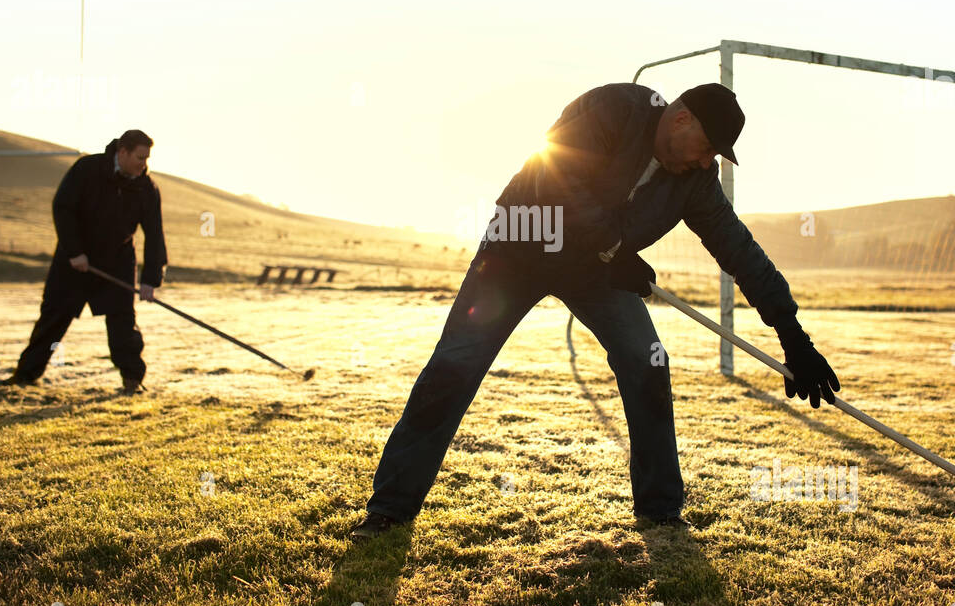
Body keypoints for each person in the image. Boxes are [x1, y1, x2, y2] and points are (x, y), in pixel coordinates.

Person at [350, 83, 839, 540]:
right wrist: (612, 244)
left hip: (597, 270)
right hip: (519, 247)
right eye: (707, 147)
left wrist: (793, 336)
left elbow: (740, 250)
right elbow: (554, 173)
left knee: (647, 362)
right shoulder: (615, 109)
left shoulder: (694, 180)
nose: (706, 161)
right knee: (456, 362)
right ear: (681, 119)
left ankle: (661, 509)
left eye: (715, 156)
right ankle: (391, 507)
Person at [0, 129, 168, 394]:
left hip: (118, 262)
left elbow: (155, 233)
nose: (144, 164)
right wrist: (75, 252)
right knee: (53, 318)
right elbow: (63, 208)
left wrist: (150, 280)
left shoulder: (146, 188)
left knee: (123, 324)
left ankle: (132, 381)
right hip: (74, 262)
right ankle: (25, 377)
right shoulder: (87, 170)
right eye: (139, 157)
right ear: (122, 152)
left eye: (147, 158)